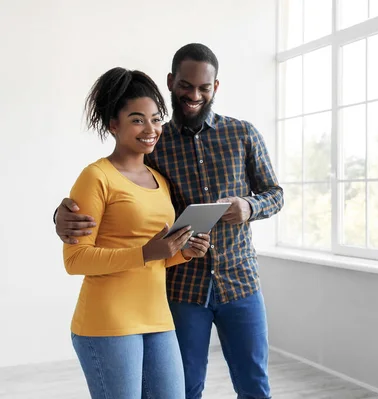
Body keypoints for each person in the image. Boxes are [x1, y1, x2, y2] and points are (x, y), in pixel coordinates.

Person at [56, 44, 284, 399]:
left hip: (237, 281)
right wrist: (59, 215)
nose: (194, 95)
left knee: (254, 385)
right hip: (179, 292)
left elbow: (275, 193)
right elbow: (108, 209)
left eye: (203, 88)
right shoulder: (152, 149)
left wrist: (249, 208)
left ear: (215, 88)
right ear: (171, 82)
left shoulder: (240, 135)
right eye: (185, 86)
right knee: (189, 387)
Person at [63, 67, 211, 399]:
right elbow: (75, 259)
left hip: (158, 318)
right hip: (108, 322)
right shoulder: (95, 177)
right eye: (137, 119)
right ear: (113, 124)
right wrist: (145, 252)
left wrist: (183, 252)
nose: (151, 129)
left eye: (157, 119)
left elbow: (157, 257)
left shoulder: (160, 180)